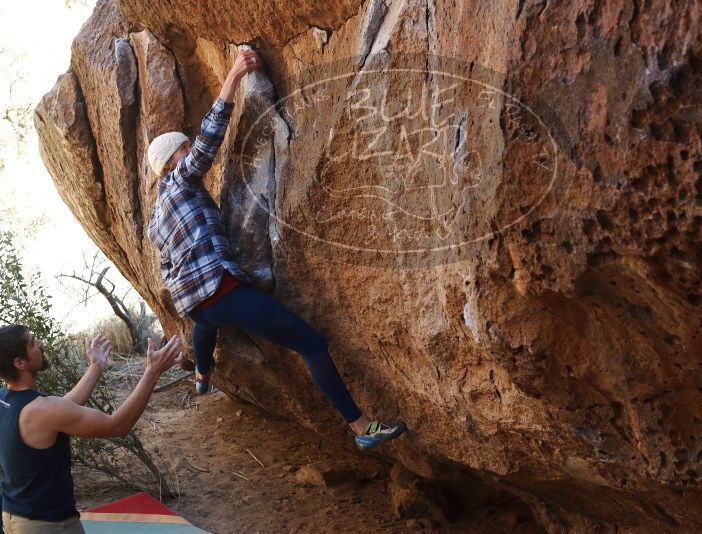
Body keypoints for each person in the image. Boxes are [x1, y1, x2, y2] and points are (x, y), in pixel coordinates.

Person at [146, 48, 405, 451]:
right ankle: (361, 429)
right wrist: (232, 77)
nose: (188, 150)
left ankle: (201, 375)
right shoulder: (179, 183)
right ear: (171, 160)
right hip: (221, 292)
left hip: (200, 305)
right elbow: (207, 145)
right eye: (183, 148)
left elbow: (167, 268)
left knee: (206, 322)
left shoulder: (157, 217)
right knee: (311, 343)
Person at [0, 324, 184, 533]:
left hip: (14, 515)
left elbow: (63, 409)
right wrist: (153, 371)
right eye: (33, 342)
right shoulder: (41, 410)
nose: (41, 343)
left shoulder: (5, 398)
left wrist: (96, 366)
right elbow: (118, 426)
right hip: (48, 525)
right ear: (19, 362)